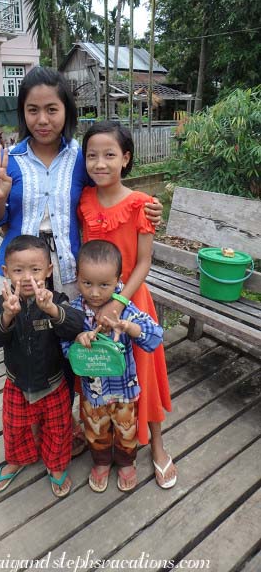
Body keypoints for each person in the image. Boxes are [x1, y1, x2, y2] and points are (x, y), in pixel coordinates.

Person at [0, 66, 163, 455]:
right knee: (22, 344)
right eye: (32, 110)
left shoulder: (79, 158)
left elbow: (108, 182)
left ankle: (65, 425)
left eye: (52, 109)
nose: (42, 119)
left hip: (66, 271)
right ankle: (28, 420)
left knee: (68, 346)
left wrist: (148, 209)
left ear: (66, 111)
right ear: (22, 112)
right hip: (20, 271)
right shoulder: (10, 159)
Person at [78, 121, 177, 489]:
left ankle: (157, 445)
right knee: (97, 369)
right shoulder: (84, 200)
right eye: (92, 155)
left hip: (131, 301)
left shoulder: (142, 205)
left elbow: (144, 262)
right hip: (92, 303)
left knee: (144, 375)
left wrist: (118, 303)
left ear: (126, 158)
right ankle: (100, 440)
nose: (100, 163)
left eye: (109, 155)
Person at [0, 235, 85, 497]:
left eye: (35, 269)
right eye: (18, 270)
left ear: (48, 270)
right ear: (6, 272)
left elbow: (76, 325)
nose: (27, 277)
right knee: (15, 427)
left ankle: (57, 466)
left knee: (58, 429)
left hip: (54, 383)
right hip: (17, 383)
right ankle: (16, 459)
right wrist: (7, 315)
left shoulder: (57, 300)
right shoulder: (2, 304)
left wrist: (51, 309)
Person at [62, 240, 163, 492]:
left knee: (126, 429)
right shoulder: (74, 312)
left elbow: (155, 335)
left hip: (124, 391)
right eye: (87, 283)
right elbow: (63, 346)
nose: (95, 292)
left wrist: (130, 328)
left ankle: (127, 462)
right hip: (93, 393)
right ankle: (101, 461)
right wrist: (77, 340)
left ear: (118, 280)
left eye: (104, 285)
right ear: (77, 278)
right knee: (95, 429)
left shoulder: (125, 311)